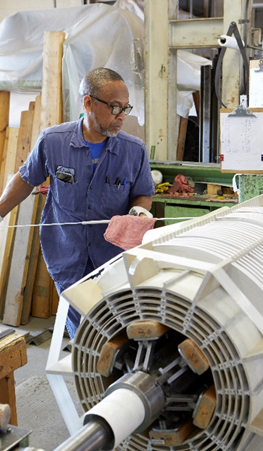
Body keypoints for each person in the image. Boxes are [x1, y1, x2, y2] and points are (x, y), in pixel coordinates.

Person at [0, 67, 155, 338]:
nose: (121, 117)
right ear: (88, 103)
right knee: (84, 331)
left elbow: (143, 193)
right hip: (66, 252)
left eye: (125, 108)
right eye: (115, 108)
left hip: (112, 257)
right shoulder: (53, 141)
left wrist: (137, 213)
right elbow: (26, 180)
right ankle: (89, 372)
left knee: (116, 327)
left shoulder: (134, 150)